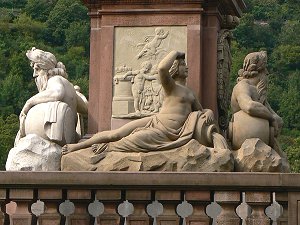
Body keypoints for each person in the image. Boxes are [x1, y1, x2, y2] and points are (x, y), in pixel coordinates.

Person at [62, 51, 217, 159]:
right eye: (183, 64)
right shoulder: (171, 86)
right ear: (176, 69)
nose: (186, 67)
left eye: (184, 64)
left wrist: (209, 112)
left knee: (135, 139)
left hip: (170, 132)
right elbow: (162, 68)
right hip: (157, 122)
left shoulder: (190, 93)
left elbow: (201, 112)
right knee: (115, 134)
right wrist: (176, 53)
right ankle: (78, 147)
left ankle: (109, 148)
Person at [18, 47, 88, 146]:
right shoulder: (69, 85)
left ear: (46, 69)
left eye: (37, 69)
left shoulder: (54, 80)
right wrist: (79, 95)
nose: (34, 75)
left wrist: (29, 103)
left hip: (59, 137)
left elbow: (57, 93)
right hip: (68, 138)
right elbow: (86, 109)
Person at [230, 51, 284, 155]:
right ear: (260, 72)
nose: (267, 74)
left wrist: (275, 120)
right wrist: (271, 118)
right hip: (243, 139)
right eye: (265, 70)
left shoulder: (258, 92)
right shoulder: (242, 86)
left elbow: (278, 121)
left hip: (262, 145)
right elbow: (249, 106)